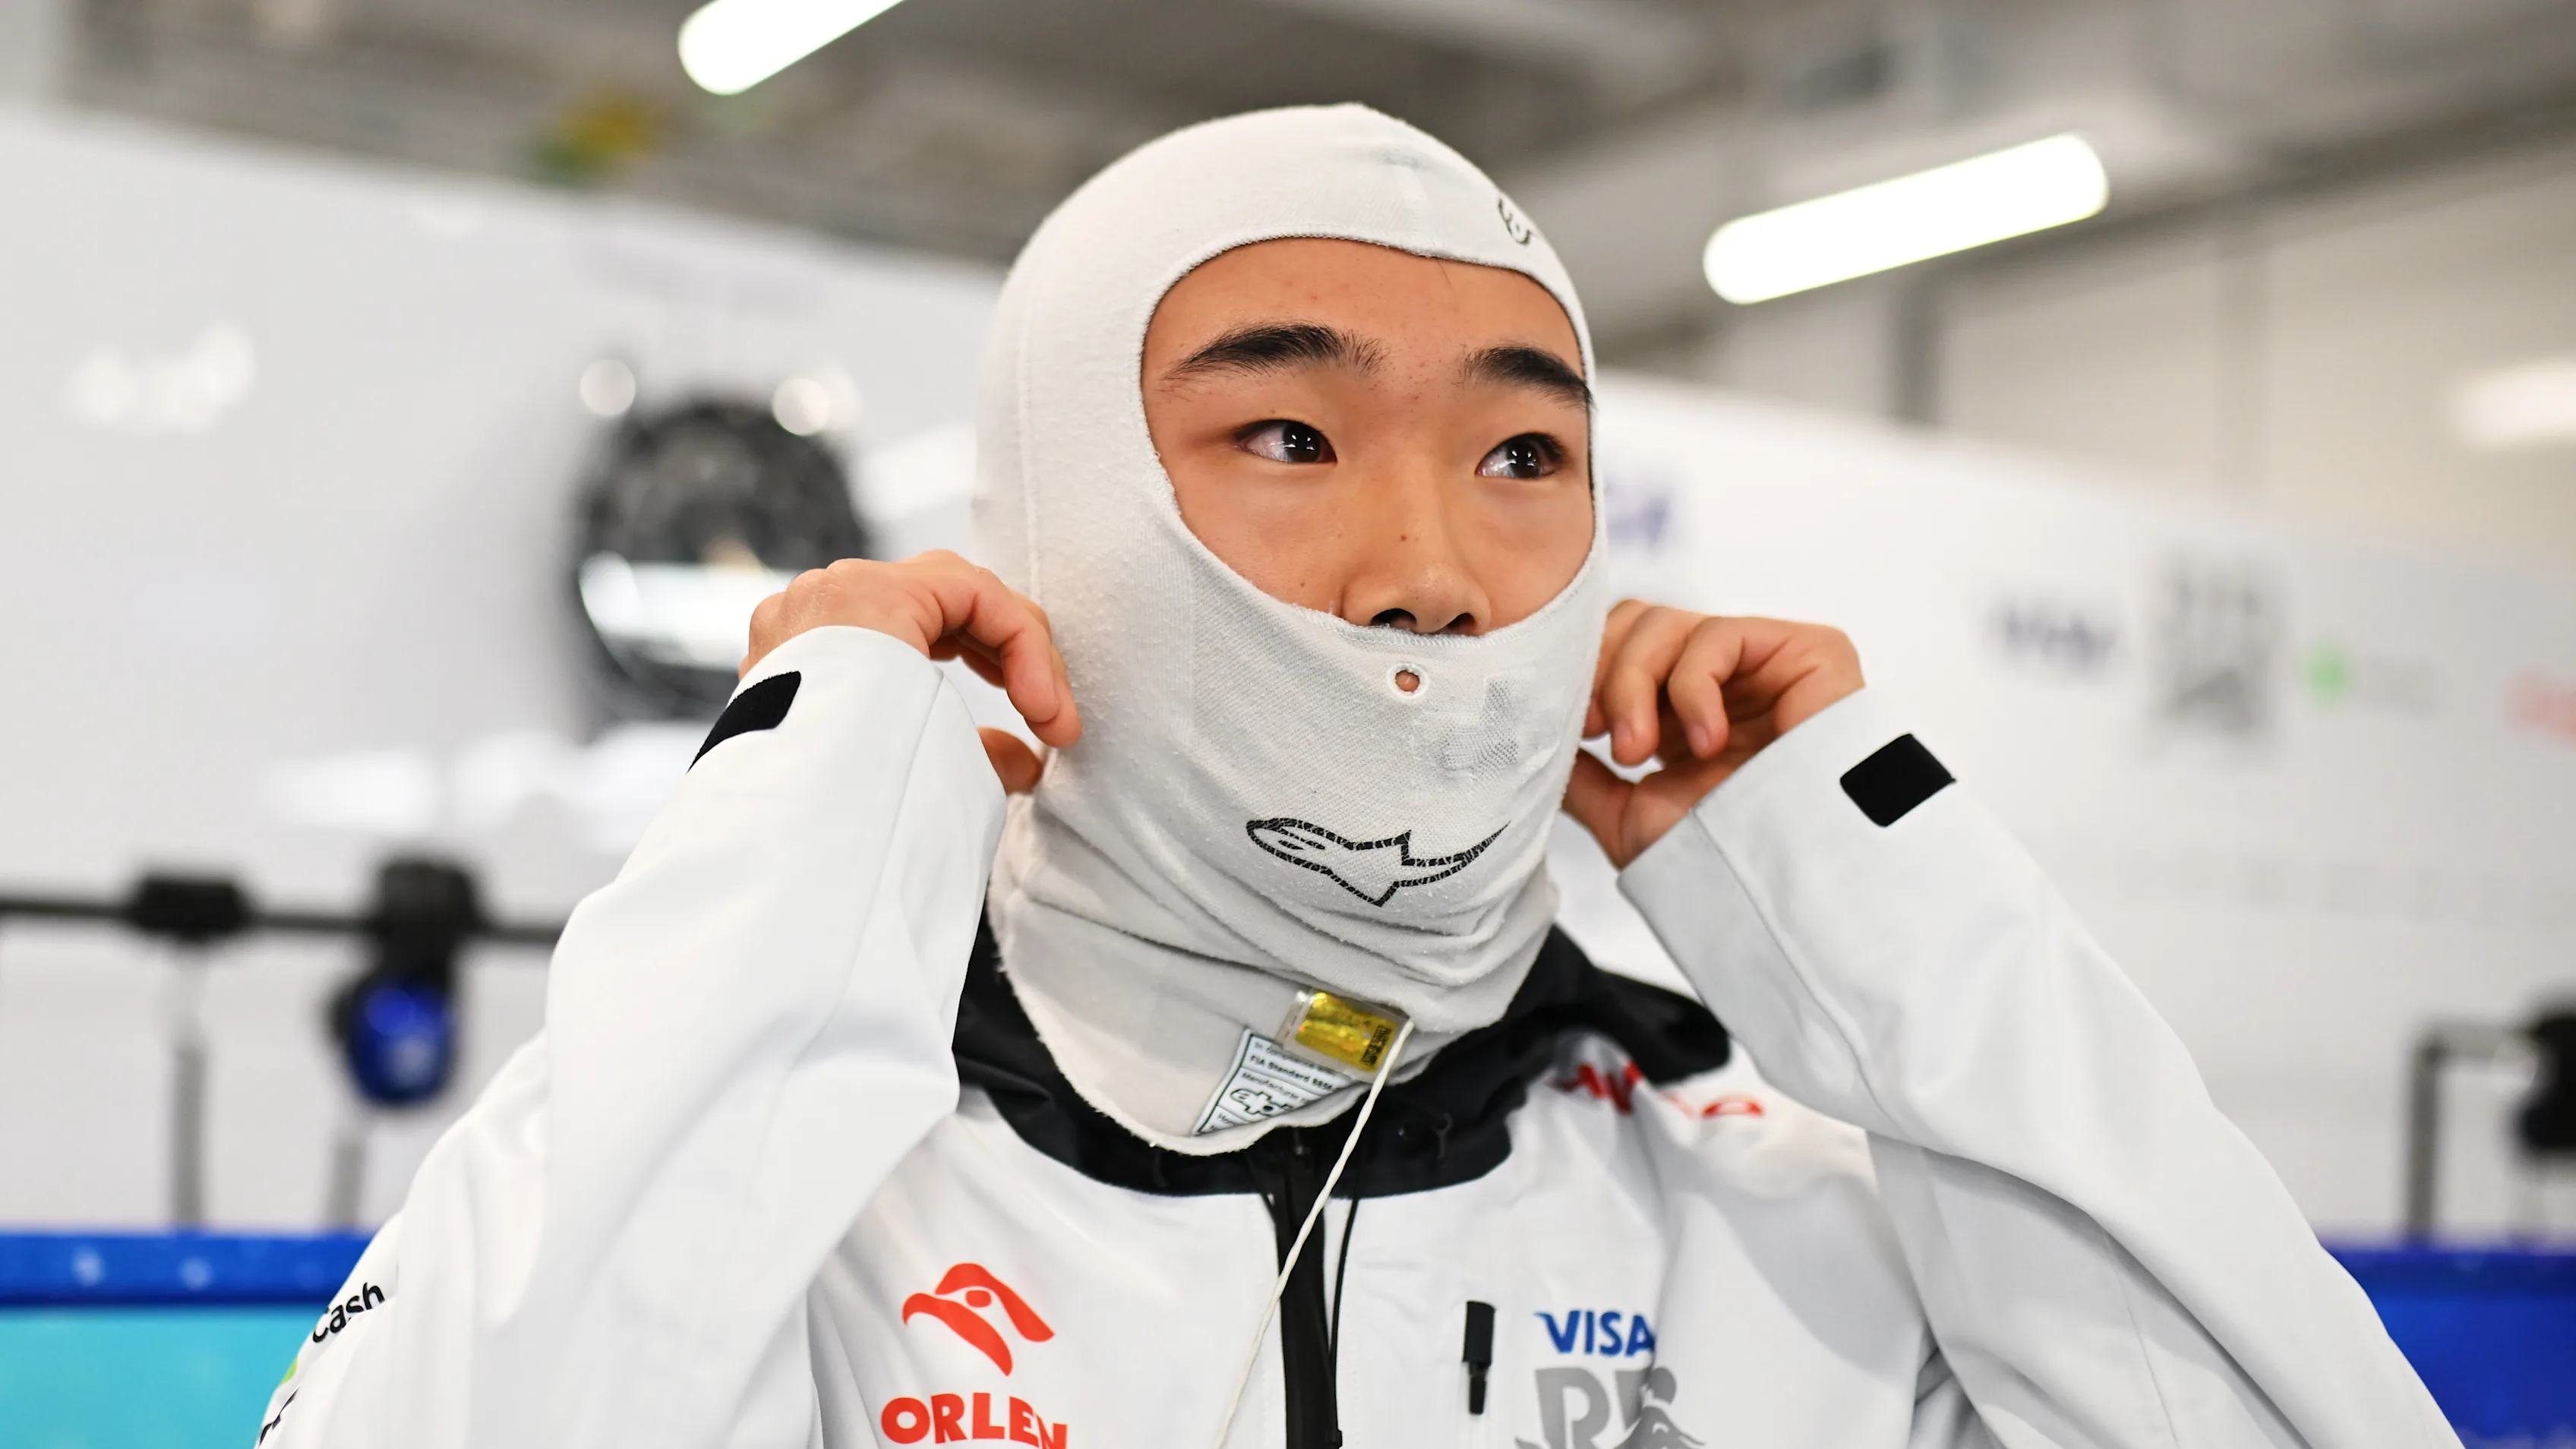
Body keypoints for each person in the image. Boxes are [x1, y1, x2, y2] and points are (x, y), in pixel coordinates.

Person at [257, 106, 2450, 1449]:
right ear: (1067, 519)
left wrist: (1895, 928)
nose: (1427, 574)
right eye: (1291, 438)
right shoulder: (805, 1156)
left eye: (1522, 457)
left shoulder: (1779, 1204)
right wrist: (802, 834)